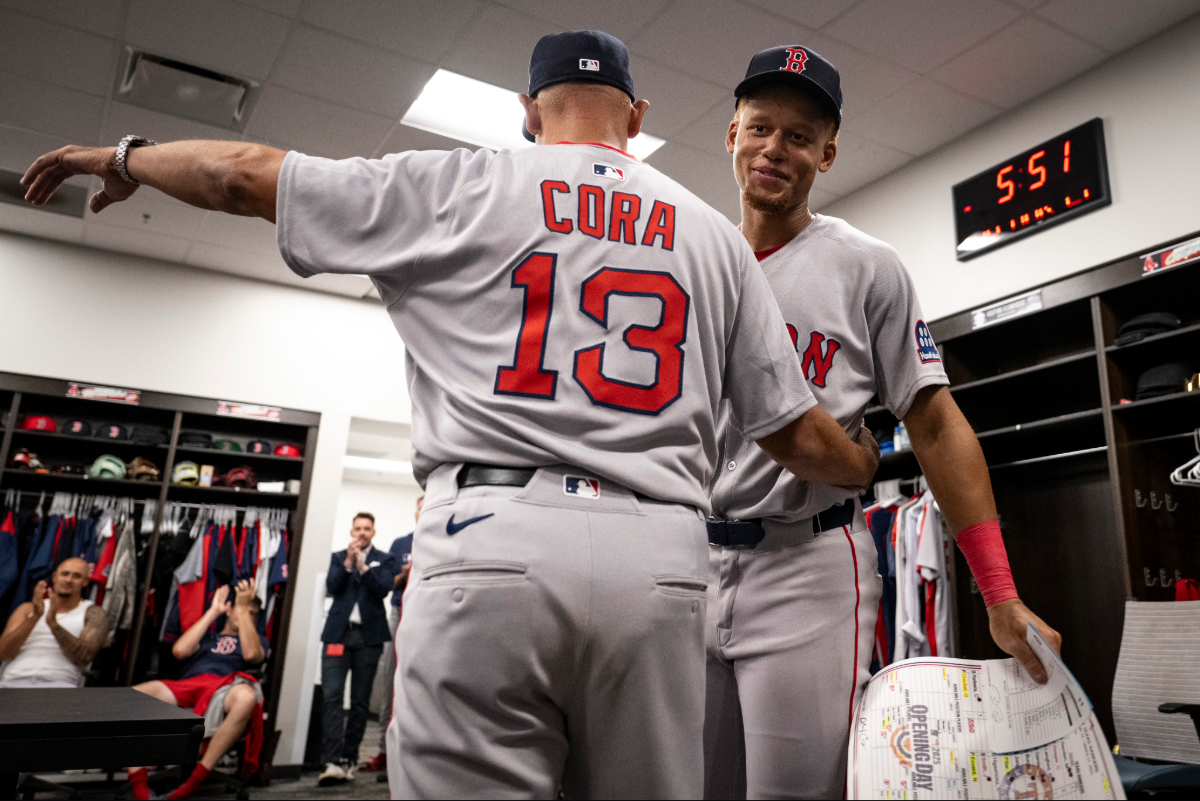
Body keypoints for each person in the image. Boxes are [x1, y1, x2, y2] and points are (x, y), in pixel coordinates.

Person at [20, 29, 879, 798]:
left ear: (526, 111)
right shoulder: (714, 236)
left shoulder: (459, 181)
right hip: (660, 558)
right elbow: (795, 434)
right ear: (639, 115)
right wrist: (865, 462)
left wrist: (125, 156)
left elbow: (239, 174)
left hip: (491, 538)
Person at [702, 46, 1064, 800]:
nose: (774, 148)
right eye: (760, 128)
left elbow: (935, 426)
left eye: (800, 136)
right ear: (732, 133)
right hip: (689, 559)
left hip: (804, 562)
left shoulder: (867, 266)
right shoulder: (694, 259)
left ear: (828, 154)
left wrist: (999, 593)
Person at [127, 579, 265, 801]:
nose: (246, 615)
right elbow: (179, 651)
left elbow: (252, 655)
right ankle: (139, 785)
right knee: (130, 697)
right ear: (229, 610)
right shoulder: (208, 637)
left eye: (252, 614)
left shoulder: (258, 641)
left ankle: (195, 780)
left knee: (247, 696)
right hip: (190, 684)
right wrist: (213, 611)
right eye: (241, 609)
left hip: (225, 686)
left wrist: (243, 609)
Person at [317, 512, 396, 786]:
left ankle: (348, 759)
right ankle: (331, 761)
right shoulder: (338, 557)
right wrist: (350, 563)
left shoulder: (385, 559)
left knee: (360, 701)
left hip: (368, 638)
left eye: (367, 528)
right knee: (332, 696)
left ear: (373, 532)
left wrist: (363, 566)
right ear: (351, 532)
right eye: (358, 528)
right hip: (338, 635)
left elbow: (383, 589)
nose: (362, 532)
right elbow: (332, 586)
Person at [361, 496, 421, 779]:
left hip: (429, 614)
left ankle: (412, 754)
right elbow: (388, 585)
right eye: (420, 508)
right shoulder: (401, 544)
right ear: (416, 512)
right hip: (400, 612)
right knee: (391, 681)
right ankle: (385, 752)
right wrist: (407, 572)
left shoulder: (445, 538)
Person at [0, 558, 109, 688]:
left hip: (60, 685)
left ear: (85, 581)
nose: (68, 580)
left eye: (76, 576)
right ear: (54, 577)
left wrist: (53, 624)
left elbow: (84, 657)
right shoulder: (28, 609)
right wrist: (34, 618)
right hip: (13, 680)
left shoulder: (93, 612)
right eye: (64, 574)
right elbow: (2, 653)